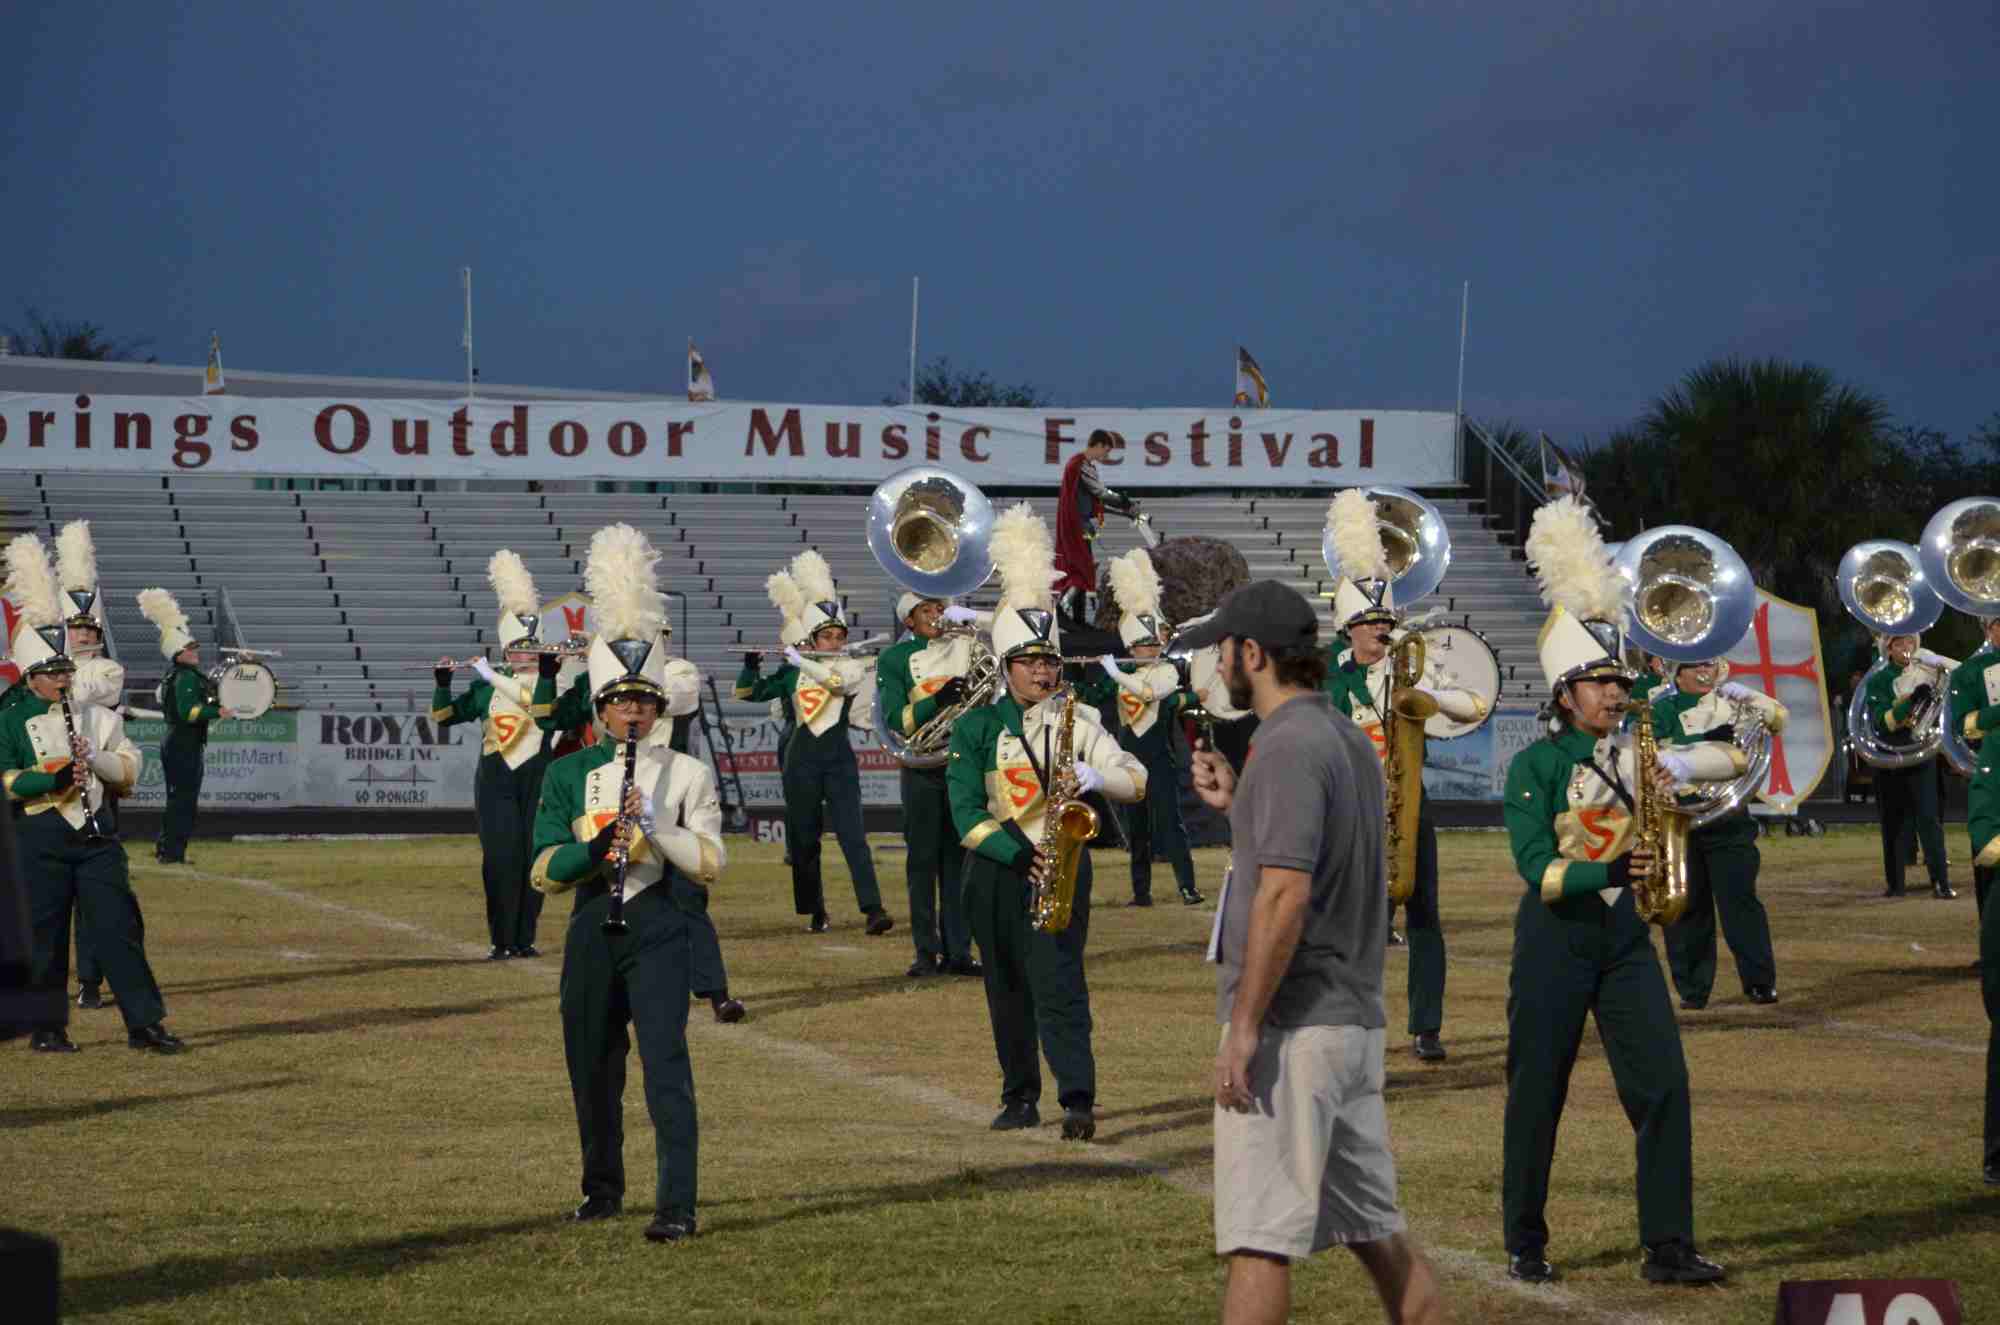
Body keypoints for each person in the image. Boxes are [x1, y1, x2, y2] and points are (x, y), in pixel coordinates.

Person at [1176, 579, 1444, 1325]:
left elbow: (1285, 894)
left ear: (1252, 653)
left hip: (1296, 1028)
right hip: (1350, 1022)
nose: (1218, 664)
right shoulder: (1345, 736)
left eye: (1224, 649)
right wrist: (1241, 804)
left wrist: (1244, 1027)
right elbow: (1315, 860)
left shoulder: (1287, 744)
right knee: (1380, 1239)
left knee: (1258, 1241)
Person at [1499, 496, 1736, 1285]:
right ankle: (1525, 1239)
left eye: (1619, 679)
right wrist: (1614, 870)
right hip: (1555, 941)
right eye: (1598, 681)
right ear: (1565, 692)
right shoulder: (1534, 766)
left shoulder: (1639, 750)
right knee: (1539, 1092)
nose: (1613, 692)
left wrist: (1685, 762)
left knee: (1664, 1083)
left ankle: (1668, 1244)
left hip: (1626, 940)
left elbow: (1731, 761)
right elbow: (1538, 870)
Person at [528, 522, 724, 1242]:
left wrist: (652, 830)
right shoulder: (567, 774)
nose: (634, 711)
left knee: (666, 1065)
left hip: (661, 924)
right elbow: (543, 868)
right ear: (602, 708)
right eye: (621, 701)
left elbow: (710, 860)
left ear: (659, 706)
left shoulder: (688, 773)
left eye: (645, 700)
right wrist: (596, 847)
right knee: (592, 1065)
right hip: (592, 925)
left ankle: (677, 1204)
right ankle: (601, 1188)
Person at [948, 503, 1145, 1140]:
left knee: (1059, 984)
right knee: (1005, 987)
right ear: (1006, 666)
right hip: (998, 870)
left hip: (1062, 867)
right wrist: (1017, 854)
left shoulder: (1080, 721)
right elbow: (966, 814)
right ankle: (1019, 1096)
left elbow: (1136, 778)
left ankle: (1077, 1099)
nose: (1042, 671)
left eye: (1049, 661)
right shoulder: (977, 727)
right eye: (1029, 661)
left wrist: (1097, 777)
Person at [1321, 489, 1487, 1063]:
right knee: (1354, 926)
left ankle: (1427, 1027)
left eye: (1386, 620)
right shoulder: (1325, 675)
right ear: (1348, 627)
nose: (1381, 631)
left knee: (1424, 916)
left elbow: (1474, 705)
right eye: (1370, 623)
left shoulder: (1413, 664)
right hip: (1350, 811)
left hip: (1410, 801)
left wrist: (1426, 695)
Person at [10, 535, 183, 1054]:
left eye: (65, 669)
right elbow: (6, 777)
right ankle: (46, 1028)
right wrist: (54, 778)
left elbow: (128, 769)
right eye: (53, 672)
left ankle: (144, 1024)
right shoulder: (8, 719)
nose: (65, 678)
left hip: (96, 835)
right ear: (32, 677)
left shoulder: (98, 716)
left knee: (117, 929)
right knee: (43, 935)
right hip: (38, 833)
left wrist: (95, 761)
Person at [735, 549, 893, 937]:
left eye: (839, 636)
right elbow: (748, 694)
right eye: (827, 636)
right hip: (800, 760)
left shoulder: (851, 667)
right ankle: (815, 910)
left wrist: (801, 660)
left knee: (853, 836)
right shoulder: (792, 673)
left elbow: (837, 683)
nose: (835, 642)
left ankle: (873, 909)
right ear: (813, 638)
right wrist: (751, 666)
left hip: (839, 760)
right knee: (804, 839)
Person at [431, 551, 562, 959]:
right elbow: (444, 717)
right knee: (501, 858)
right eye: (519, 648)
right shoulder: (487, 687)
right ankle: (502, 940)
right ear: (506, 649)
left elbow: (536, 703)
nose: (527, 654)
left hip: (539, 776)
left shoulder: (553, 682)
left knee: (534, 857)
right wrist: (442, 684)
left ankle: (526, 938)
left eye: (533, 646)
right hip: (496, 779)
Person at [1073, 547, 1204, 907]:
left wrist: (1116, 672)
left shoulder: (1167, 672)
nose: (1149, 649)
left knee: (1171, 824)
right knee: (1138, 829)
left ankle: (1187, 886)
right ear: (1131, 646)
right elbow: (1091, 695)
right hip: (1129, 759)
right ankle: (1140, 891)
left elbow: (1148, 693)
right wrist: (1073, 681)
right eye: (1142, 644)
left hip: (1159, 760)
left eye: (1152, 642)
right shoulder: (1123, 673)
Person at [1652, 658, 1786, 1008]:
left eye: (1709, 664)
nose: (1704, 671)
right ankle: (1693, 989)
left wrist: (1748, 696)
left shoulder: (1733, 703)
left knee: (1740, 902)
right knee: (1687, 907)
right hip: (1680, 818)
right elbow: (1650, 755)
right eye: (1694, 665)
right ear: (1677, 672)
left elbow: (1778, 719)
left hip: (1728, 819)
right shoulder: (1661, 708)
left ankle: (1759, 982)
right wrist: (1705, 746)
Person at [875, 590, 985, 978]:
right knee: (922, 862)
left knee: (960, 861)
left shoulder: (966, 646)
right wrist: (937, 701)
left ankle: (960, 951)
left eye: (940, 607)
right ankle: (925, 952)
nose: (937, 615)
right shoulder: (895, 658)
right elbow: (896, 719)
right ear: (909, 619)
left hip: (962, 764)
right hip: (922, 766)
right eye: (927, 609)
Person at [57, 519, 122, 1010]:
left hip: (94, 794)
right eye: (73, 628)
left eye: (87, 628)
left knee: (93, 896)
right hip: (49, 794)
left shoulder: (108, 668)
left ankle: (91, 980)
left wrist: (48, 666)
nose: (80, 634)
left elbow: (82, 692)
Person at [137, 587, 226, 866]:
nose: (194, 651)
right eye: (189, 648)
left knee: (177, 799)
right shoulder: (185, 676)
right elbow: (190, 712)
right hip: (183, 742)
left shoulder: (175, 675)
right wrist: (219, 711)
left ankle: (168, 849)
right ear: (177, 653)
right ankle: (172, 853)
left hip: (177, 741)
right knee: (183, 801)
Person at [1865, 632, 1957, 898]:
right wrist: (1911, 701)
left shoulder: (1926, 672)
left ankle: (1941, 882)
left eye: (1909, 642)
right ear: (1888, 649)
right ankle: (1895, 884)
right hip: (1890, 755)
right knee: (1893, 820)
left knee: (1929, 819)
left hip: (1921, 753)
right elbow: (1883, 722)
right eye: (1898, 643)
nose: (1906, 648)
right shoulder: (1879, 680)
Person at [1054, 429, 1140, 624]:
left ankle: (1078, 620)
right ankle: (1062, 608)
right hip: (1076, 526)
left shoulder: (1080, 465)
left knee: (1083, 568)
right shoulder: (1080, 464)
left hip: (1079, 525)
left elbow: (1095, 502)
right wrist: (1124, 502)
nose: (1106, 456)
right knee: (1081, 570)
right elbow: (1100, 493)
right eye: (1106, 451)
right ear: (1099, 445)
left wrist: (1124, 510)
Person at [1950, 615, 2000, 923]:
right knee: (1990, 861)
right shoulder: (1969, 672)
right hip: (1993, 772)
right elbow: (1965, 726)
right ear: (1989, 628)